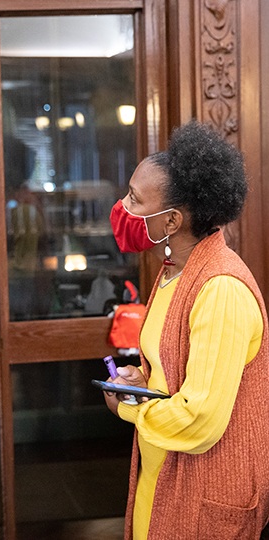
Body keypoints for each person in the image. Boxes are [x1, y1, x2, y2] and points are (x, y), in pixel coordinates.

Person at [101, 120, 269, 539]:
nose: (123, 207)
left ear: (172, 220)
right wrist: (144, 382)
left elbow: (199, 418)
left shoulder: (221, 289)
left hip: (205, 493)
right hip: (163, 474)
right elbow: (175, 370)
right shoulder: (175, 270)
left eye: (135, 201)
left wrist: (127, 407)